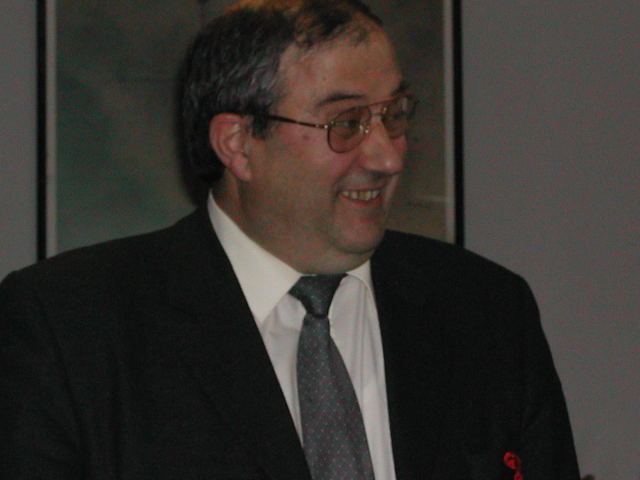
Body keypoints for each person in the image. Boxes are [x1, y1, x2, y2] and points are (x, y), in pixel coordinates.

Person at [0, 1, 580, 479]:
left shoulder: (487, 312)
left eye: (395, 114)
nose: (388, 157)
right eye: (346, 123)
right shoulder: (71, 328)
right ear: (238, 144)